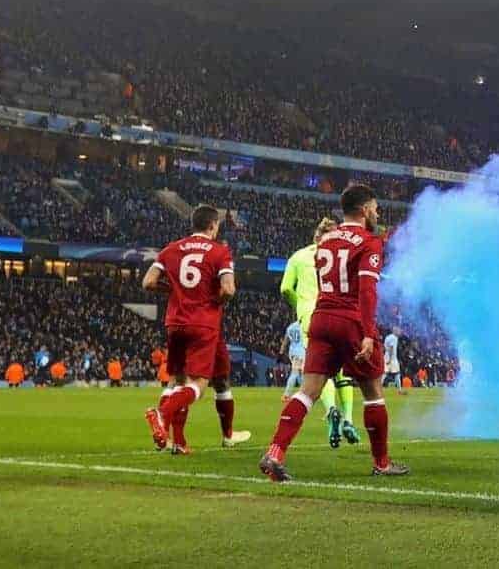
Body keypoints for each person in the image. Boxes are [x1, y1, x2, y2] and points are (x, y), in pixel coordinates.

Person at [260, 185, 407, 481]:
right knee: (373, 393)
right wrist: (367, 331)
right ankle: (381, 462)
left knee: (308, 391)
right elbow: (366, 291)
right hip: (351, 320)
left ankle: (275, 452)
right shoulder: (368, 242)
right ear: (364, 210)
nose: (377, 213)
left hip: (321, 317)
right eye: (375, 208)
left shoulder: (326, 240)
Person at [143, 205, 250, 453]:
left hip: (175, 323)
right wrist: (214, 302)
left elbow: (148, 282)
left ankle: (178, 442)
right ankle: (162, 414)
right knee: (199, 385)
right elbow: (229, 289)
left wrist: (171, 290)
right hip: (203, 323)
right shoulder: (219, 251)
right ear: (213, 225)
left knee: (178, 381)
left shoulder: (171, 248)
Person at [281, 217, 362, 448]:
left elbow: (285, 288)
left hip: (311, 318)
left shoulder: (297, 257)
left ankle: (331, 410)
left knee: (319, 370)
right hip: (339, 314)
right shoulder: (342, 255)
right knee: (343, 373)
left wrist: (300, 305)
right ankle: (348, 419)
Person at [280, 319, 305, 401]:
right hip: (301, 352)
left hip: (293, 352)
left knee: (301, 374)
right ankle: (286, 395)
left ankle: (303, 394)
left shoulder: (290, 327)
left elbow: (285, 340)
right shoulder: (303, 326)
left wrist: (281, 351)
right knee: (295, 373)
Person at [383, 327, 407, 394]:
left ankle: (399, 390)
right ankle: (399, 391)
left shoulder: (388, 337)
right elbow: (391, 348)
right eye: (399, 331)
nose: (400, 332)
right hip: (392, 358)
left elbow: (385, 347)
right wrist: (390, 359)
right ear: (395, 331)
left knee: (386, 373)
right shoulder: (394, 338)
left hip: (387, 356)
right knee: (394, 374)